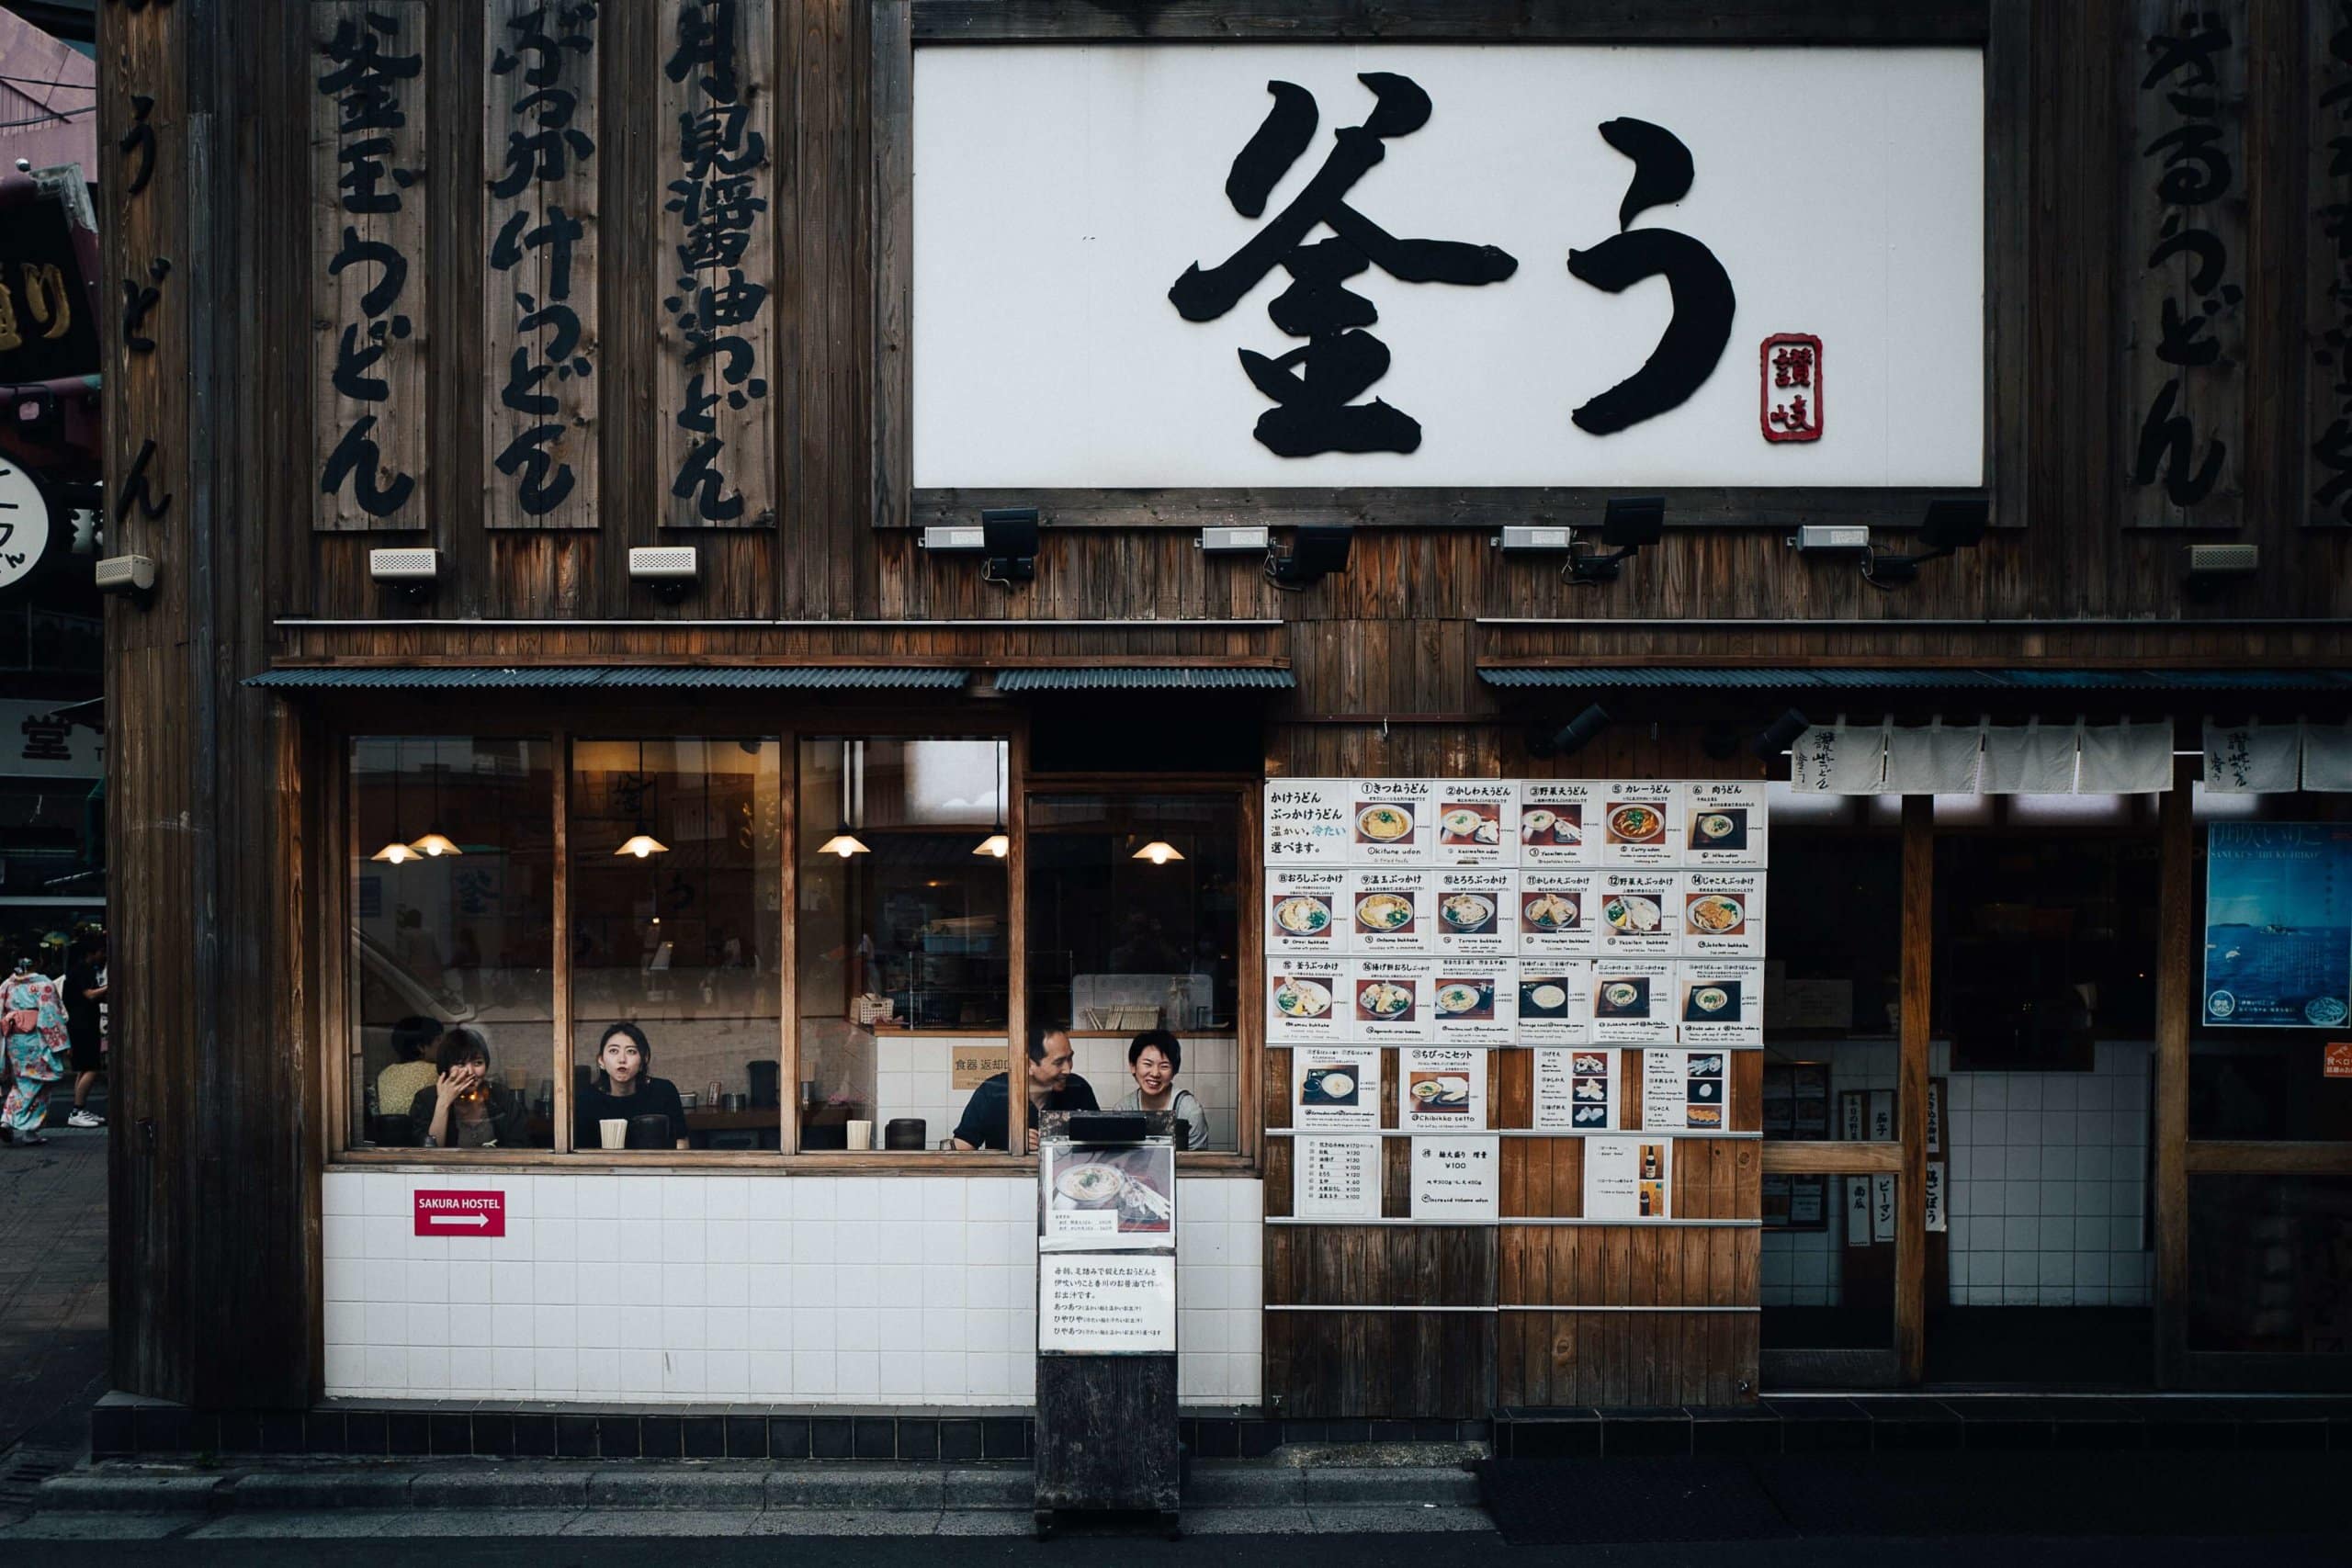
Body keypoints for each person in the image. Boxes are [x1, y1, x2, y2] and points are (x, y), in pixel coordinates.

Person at [953, 1022, 1097, 1154]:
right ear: (1028, 1065)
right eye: (1058, 1062)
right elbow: (962, 1149)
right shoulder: (992, 1092)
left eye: (1070, 1058)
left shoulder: (1078, 1088)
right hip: (1007, 1179)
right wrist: (1015, 1147)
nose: (1068, 1069)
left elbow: (1101, 1145)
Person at [404, 1026, 530, 1150]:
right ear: (446, 1068)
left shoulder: (501, 1095)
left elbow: (520, 1145)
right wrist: (443, 1103)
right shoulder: (426, 1099)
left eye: (478, 1063)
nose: (470, 1072)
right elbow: (426, 1155)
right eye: (460, 1064)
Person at [571, 1021, 689, 1150]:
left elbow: (681, 1142)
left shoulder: (664, 1091)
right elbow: (580, 1152)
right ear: (601, 1061)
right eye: (613, 1051)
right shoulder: (586, 1099)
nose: (622, 1059)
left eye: (631, 1051)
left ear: (644, 1059)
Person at [1, 954, 68, 1147]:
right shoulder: (43, 984)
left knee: (21, 1081)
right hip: (37, 1039)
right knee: (42, 1083)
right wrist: (60, 1043)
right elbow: (51, 1014)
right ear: (38, 962)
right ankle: (27, 1129)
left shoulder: (7, 984)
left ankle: (10, 1120)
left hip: (15, 1040)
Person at [1112, 1027, 1209, 1149]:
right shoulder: (1123, 1109)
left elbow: (1196, 1164)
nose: (1155, 1073)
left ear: (1174, 1071)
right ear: (1133, 1066)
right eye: (1147, 1064)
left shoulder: (1190, 1112)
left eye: (1164, 1066)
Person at [63, 933, 107, 1129]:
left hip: (79, 1024)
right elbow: (89, 995)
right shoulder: (83, 970)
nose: (103, 955)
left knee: (84, 1068)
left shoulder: (77, 970)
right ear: (92, 953)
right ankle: (77, 1110)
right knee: (92, 1067)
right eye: (101, 951)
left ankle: (79, 1109)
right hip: (83, 1025)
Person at [374, 1015, 440, 1125]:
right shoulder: (437, 1071)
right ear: (421, 1047)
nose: (442, 1045)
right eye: (438, 1040)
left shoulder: (385, 1073)